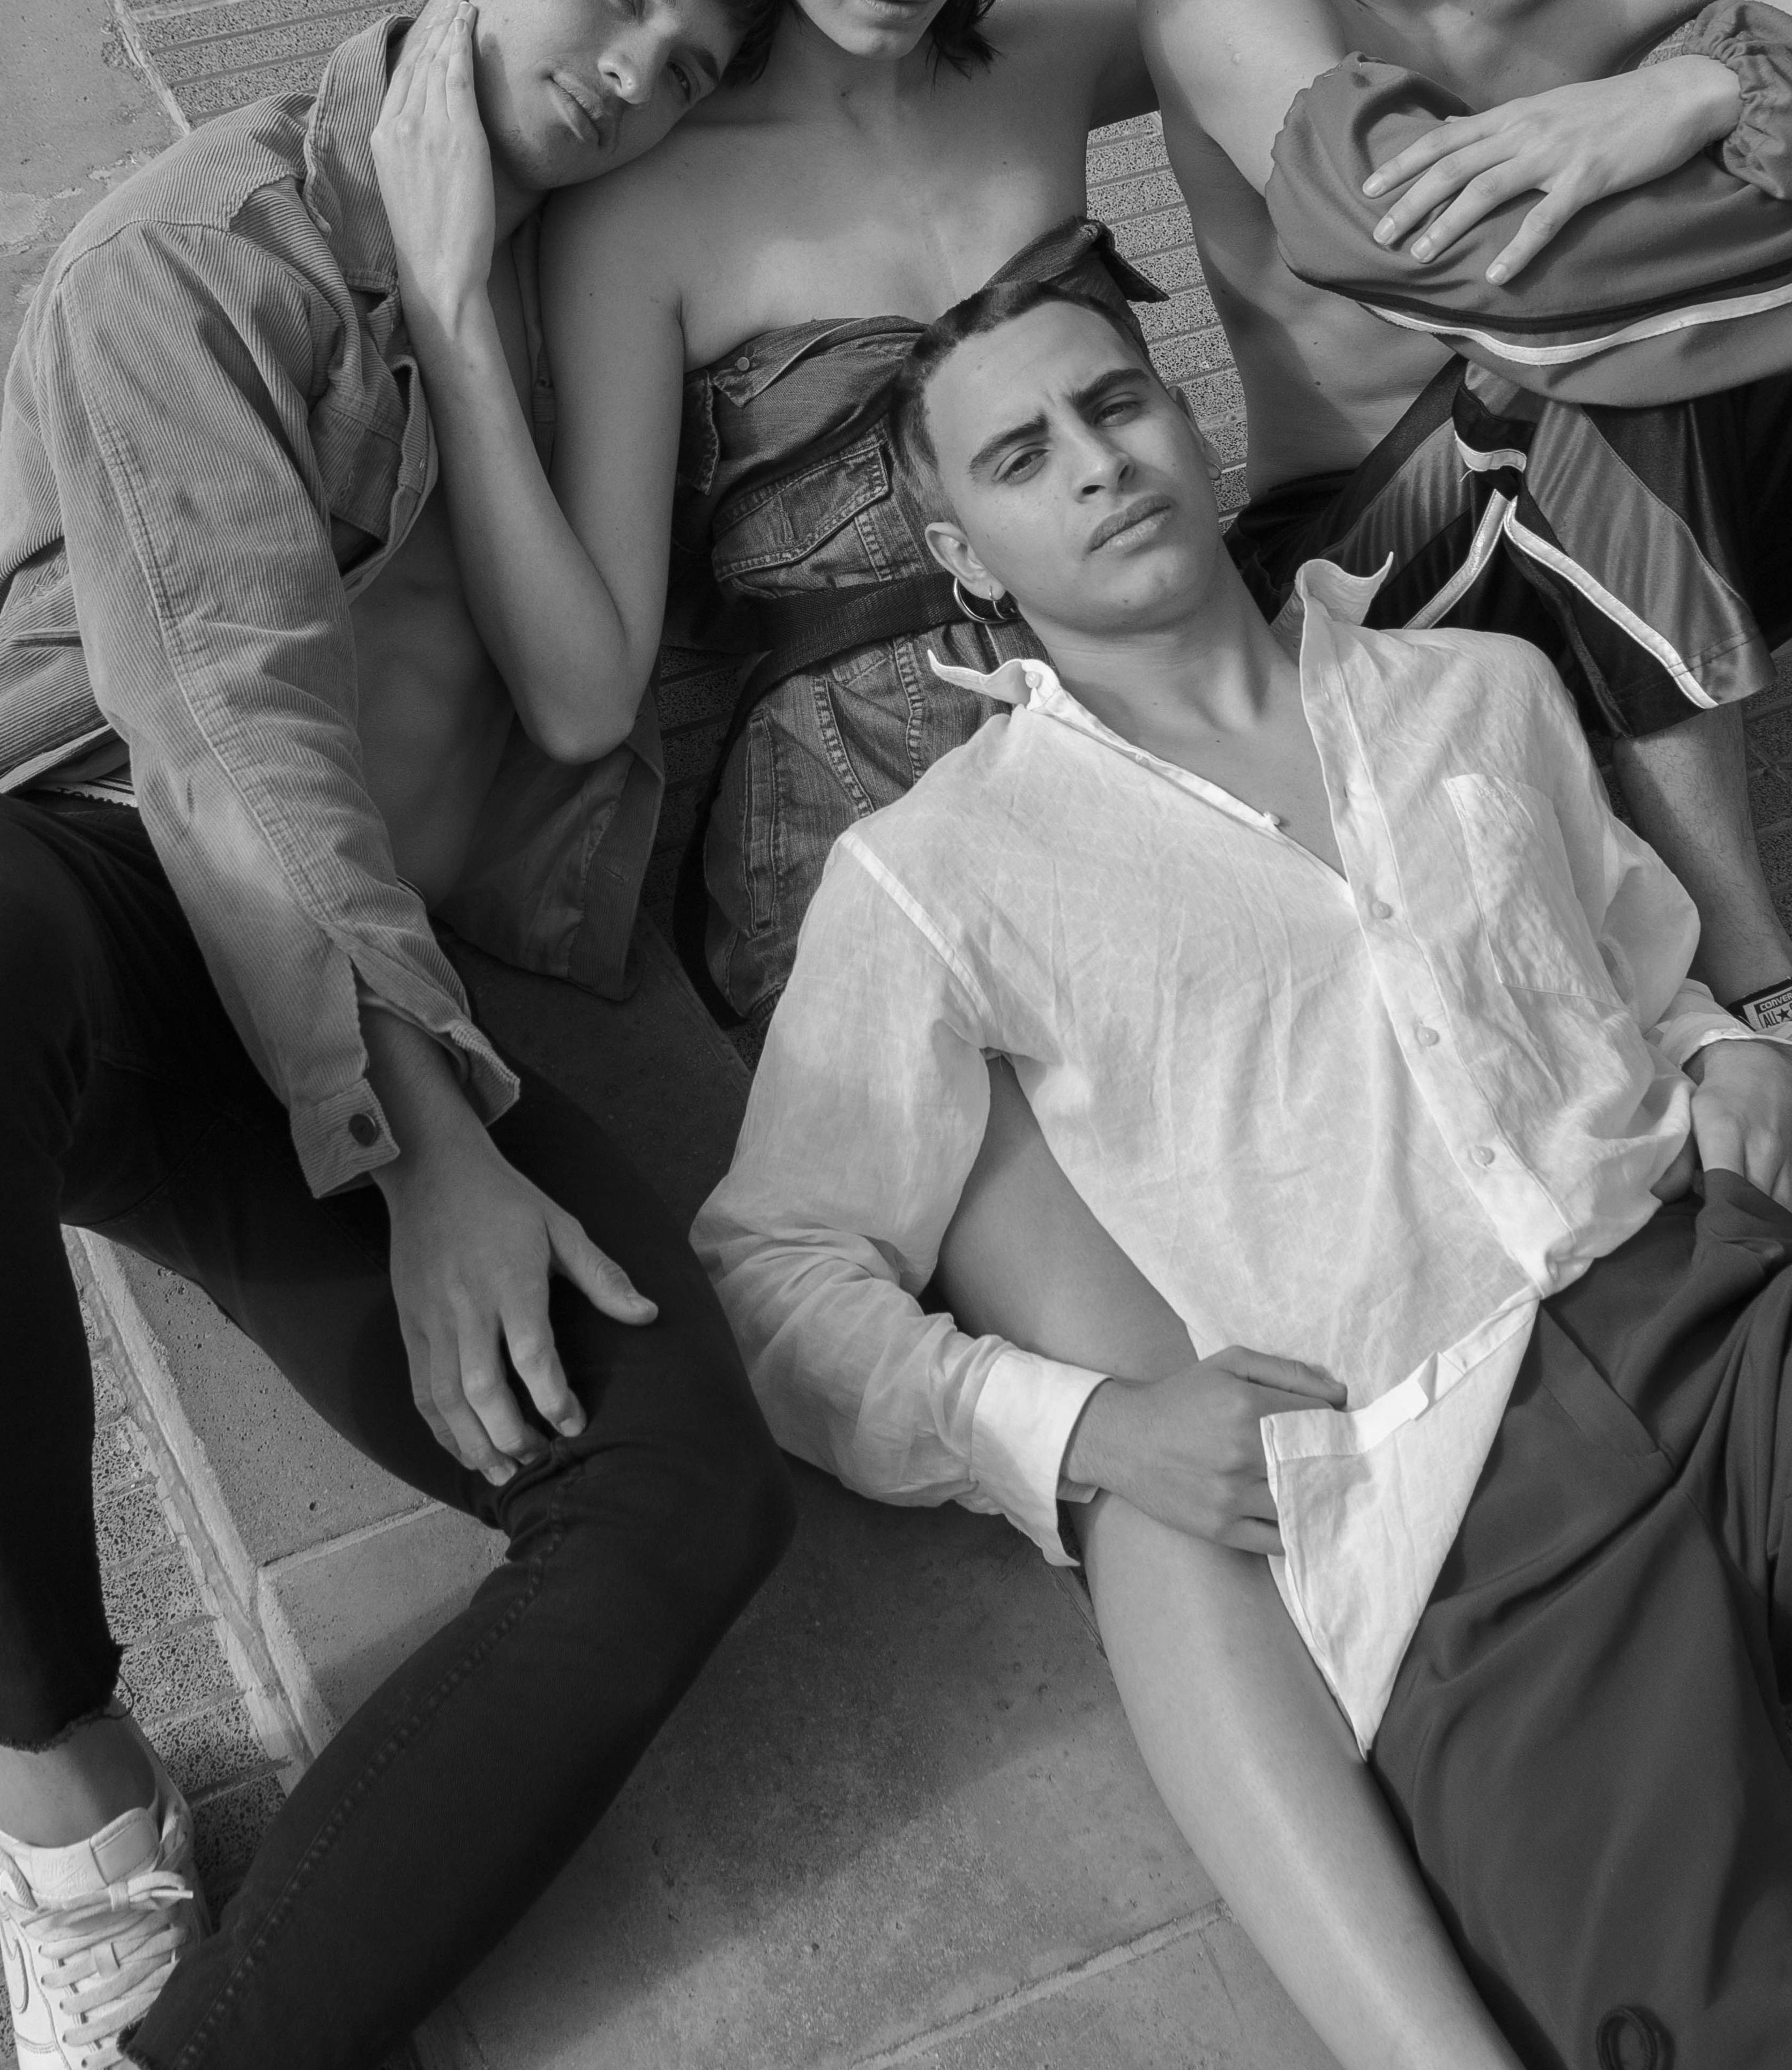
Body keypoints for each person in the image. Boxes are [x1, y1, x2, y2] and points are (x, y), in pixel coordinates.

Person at [370, 0, 1792, 2070]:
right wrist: (443, 294)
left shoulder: (1045, 53)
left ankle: (1729, 1103)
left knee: (1523, 659)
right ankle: (1430, 1891)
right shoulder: (650, 209)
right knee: (1208, 1416)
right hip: (851, 763)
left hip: (1166, 631)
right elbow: (594, 683)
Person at [696, 281, 1792, 2069]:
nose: (1096, 464)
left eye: (1115, 407)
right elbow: (778, 1269)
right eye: (1022, 455)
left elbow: (1633, 962)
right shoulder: (936, 872)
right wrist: (1064, 1432)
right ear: (966, 555)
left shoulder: (1481, 688)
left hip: (1719, 1306)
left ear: (1192, 430)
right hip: (1450, 1520)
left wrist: (1720, 1046)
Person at [0, 0, 794, 2070]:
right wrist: (435, 1149)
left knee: (689, 1484)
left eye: (695, 55)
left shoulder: (588, 279)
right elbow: (228, 726)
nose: (637, 70)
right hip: (105, 894)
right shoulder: (197, 245)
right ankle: (62, 1793)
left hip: (360, 991)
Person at [1063, 0, 1792, 1036]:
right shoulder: (1221, 1)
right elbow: (1509, 286)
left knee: (1620, 331)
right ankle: (1759, 982)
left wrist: (1701, 85)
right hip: (1367, 557)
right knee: (1560, 369)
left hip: (1643, 471)